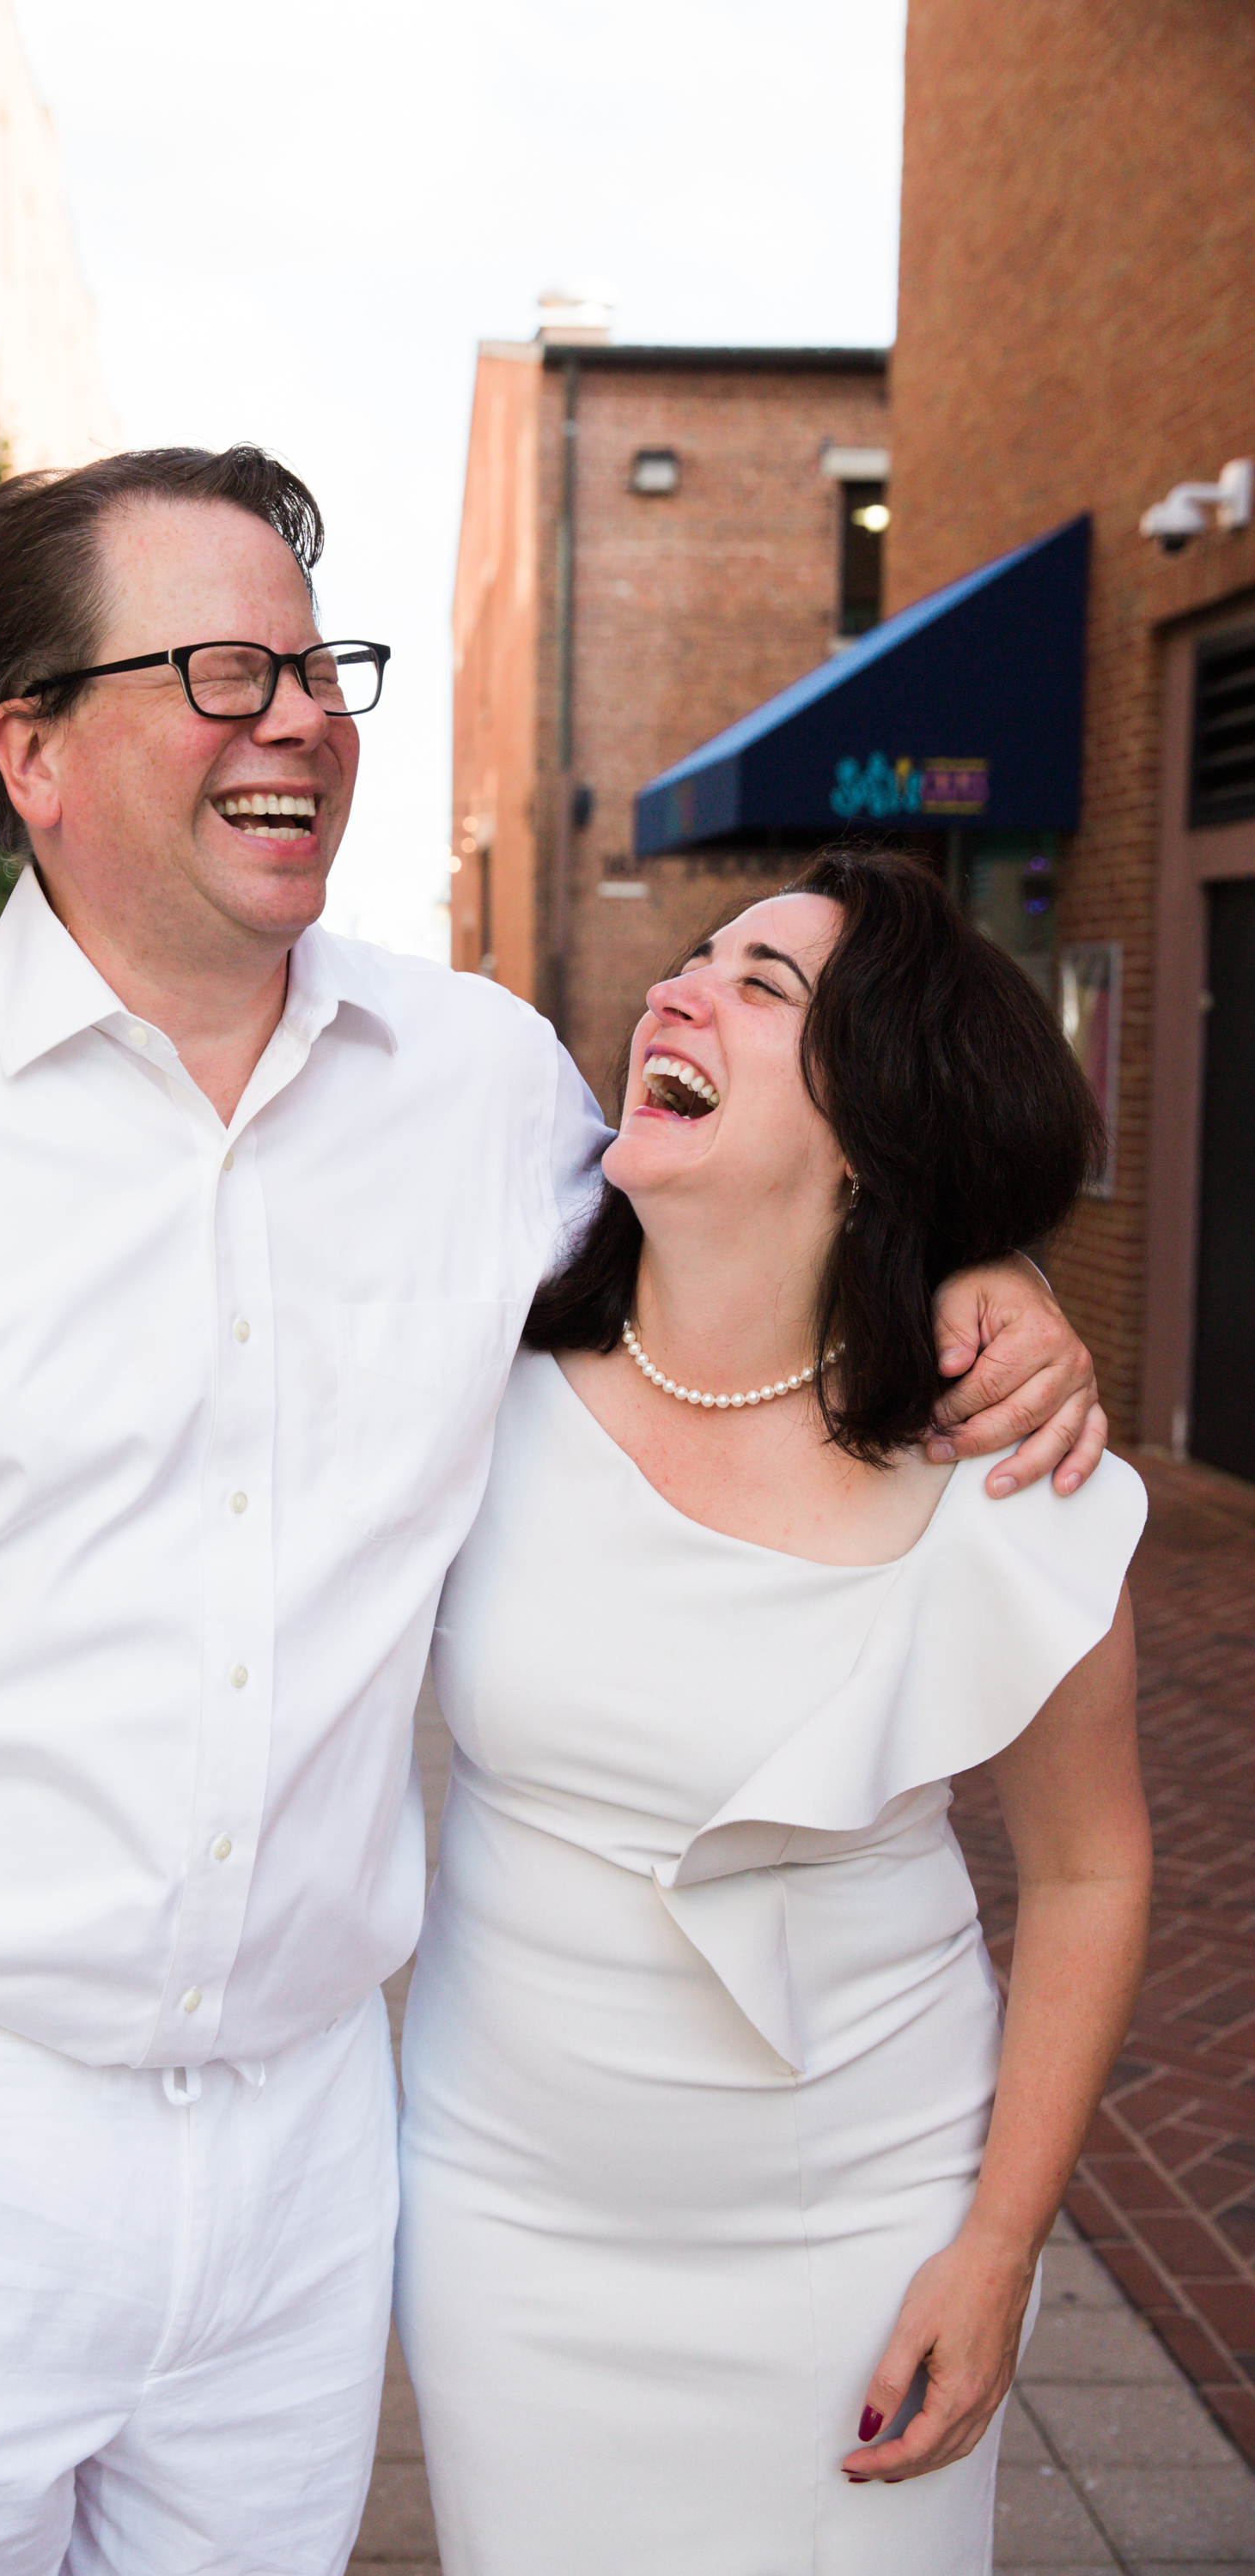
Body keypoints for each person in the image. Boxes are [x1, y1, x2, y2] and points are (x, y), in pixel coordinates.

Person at [0, 453, 1101, 2576]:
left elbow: (790, 1222)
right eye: (216, 669)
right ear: (32, 750)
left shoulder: (483, 1095)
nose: (295, 715)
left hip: (300, 2163)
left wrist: (992, 1284)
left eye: (315, 663)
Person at [394, 849, 1151, 2576]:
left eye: (763, 988)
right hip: (510, 2228)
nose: (678, 992)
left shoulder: (1000, 1465)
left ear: (872, 1128)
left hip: (862, 2236)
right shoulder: (469, 1379)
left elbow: (1093, 1874)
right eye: (694, 959)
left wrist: (997, 2246)